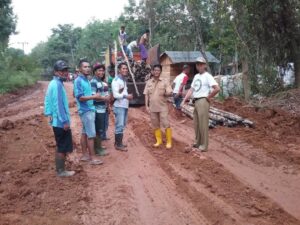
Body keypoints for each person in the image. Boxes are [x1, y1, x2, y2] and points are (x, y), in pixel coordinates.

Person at [181, 57, 220, 152]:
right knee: (197, 123)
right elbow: (191, 89)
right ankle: (197, 142)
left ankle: (204, 146)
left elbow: (217, 88)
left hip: (203, 100)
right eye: (197, 64)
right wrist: (184, 100)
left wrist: (208, 97)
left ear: (205, 65)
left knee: (203, 124)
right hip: (196, 101)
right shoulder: (196, 76)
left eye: (201, 64)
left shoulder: (208, 76)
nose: (199, 66)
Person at [44, 60, 75, 177]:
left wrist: (49, 113)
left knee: (60, 145)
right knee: (62, 147)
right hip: (60, 122)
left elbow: (47, 100)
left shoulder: (54, 83)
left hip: (57, 121)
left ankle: (60, 169)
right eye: (62, 70)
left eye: (66, 70)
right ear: (56, 72)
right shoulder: (56, 84)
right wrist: (65, 121)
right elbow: (58, 105)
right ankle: (61, 171)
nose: (65, 72)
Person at [73, 59, 103, 165]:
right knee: (91, 135)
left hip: (89, 109)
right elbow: (80, 97)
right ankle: (92, 158)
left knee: (84, 132)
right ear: (80, 68)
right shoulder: (78, 81)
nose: (87, 68)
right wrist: (94, 96)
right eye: (85, 67)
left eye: (88, 66)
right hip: (86, 110)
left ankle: (85, 155)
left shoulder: (86, 79)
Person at [144, 64, 173, 149]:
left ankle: (169, 142)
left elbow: (169, 91)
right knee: (155, 125)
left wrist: (168, 93)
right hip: (152, 107)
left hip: (162, 107)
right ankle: (159, 141)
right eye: (155, 70)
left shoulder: (165, 81)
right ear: (152, 71)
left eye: (158, 70)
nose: (156, 72)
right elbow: (146, 95)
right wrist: (146, 106)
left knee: (166, 124)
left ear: (160, 71)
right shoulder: (149, 82)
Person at [111, 63, 133, 151]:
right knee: (119, 125)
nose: (125, 70)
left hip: (124, 106)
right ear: (119, 70)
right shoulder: (116, 81)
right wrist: (126, 97)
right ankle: (118, 145)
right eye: (123, 68)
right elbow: (115, 95)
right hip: (119, 106)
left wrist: (128, 96)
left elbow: (123, 92)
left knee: (122, 125)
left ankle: (118, 143)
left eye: (126, 69)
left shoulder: (123, 80)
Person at [90, 63, 110, 156]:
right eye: (99, 70)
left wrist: (107, 103)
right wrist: (104, 98)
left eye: (102, 70)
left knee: (101, 129)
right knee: (98, 129)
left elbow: (106, 95)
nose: (101, 72)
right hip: (97, 110)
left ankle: (98, 146)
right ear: (95, 72)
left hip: (103, 109)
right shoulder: (93, 82)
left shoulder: (102, 83)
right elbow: (93, 97)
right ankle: (98, 149)